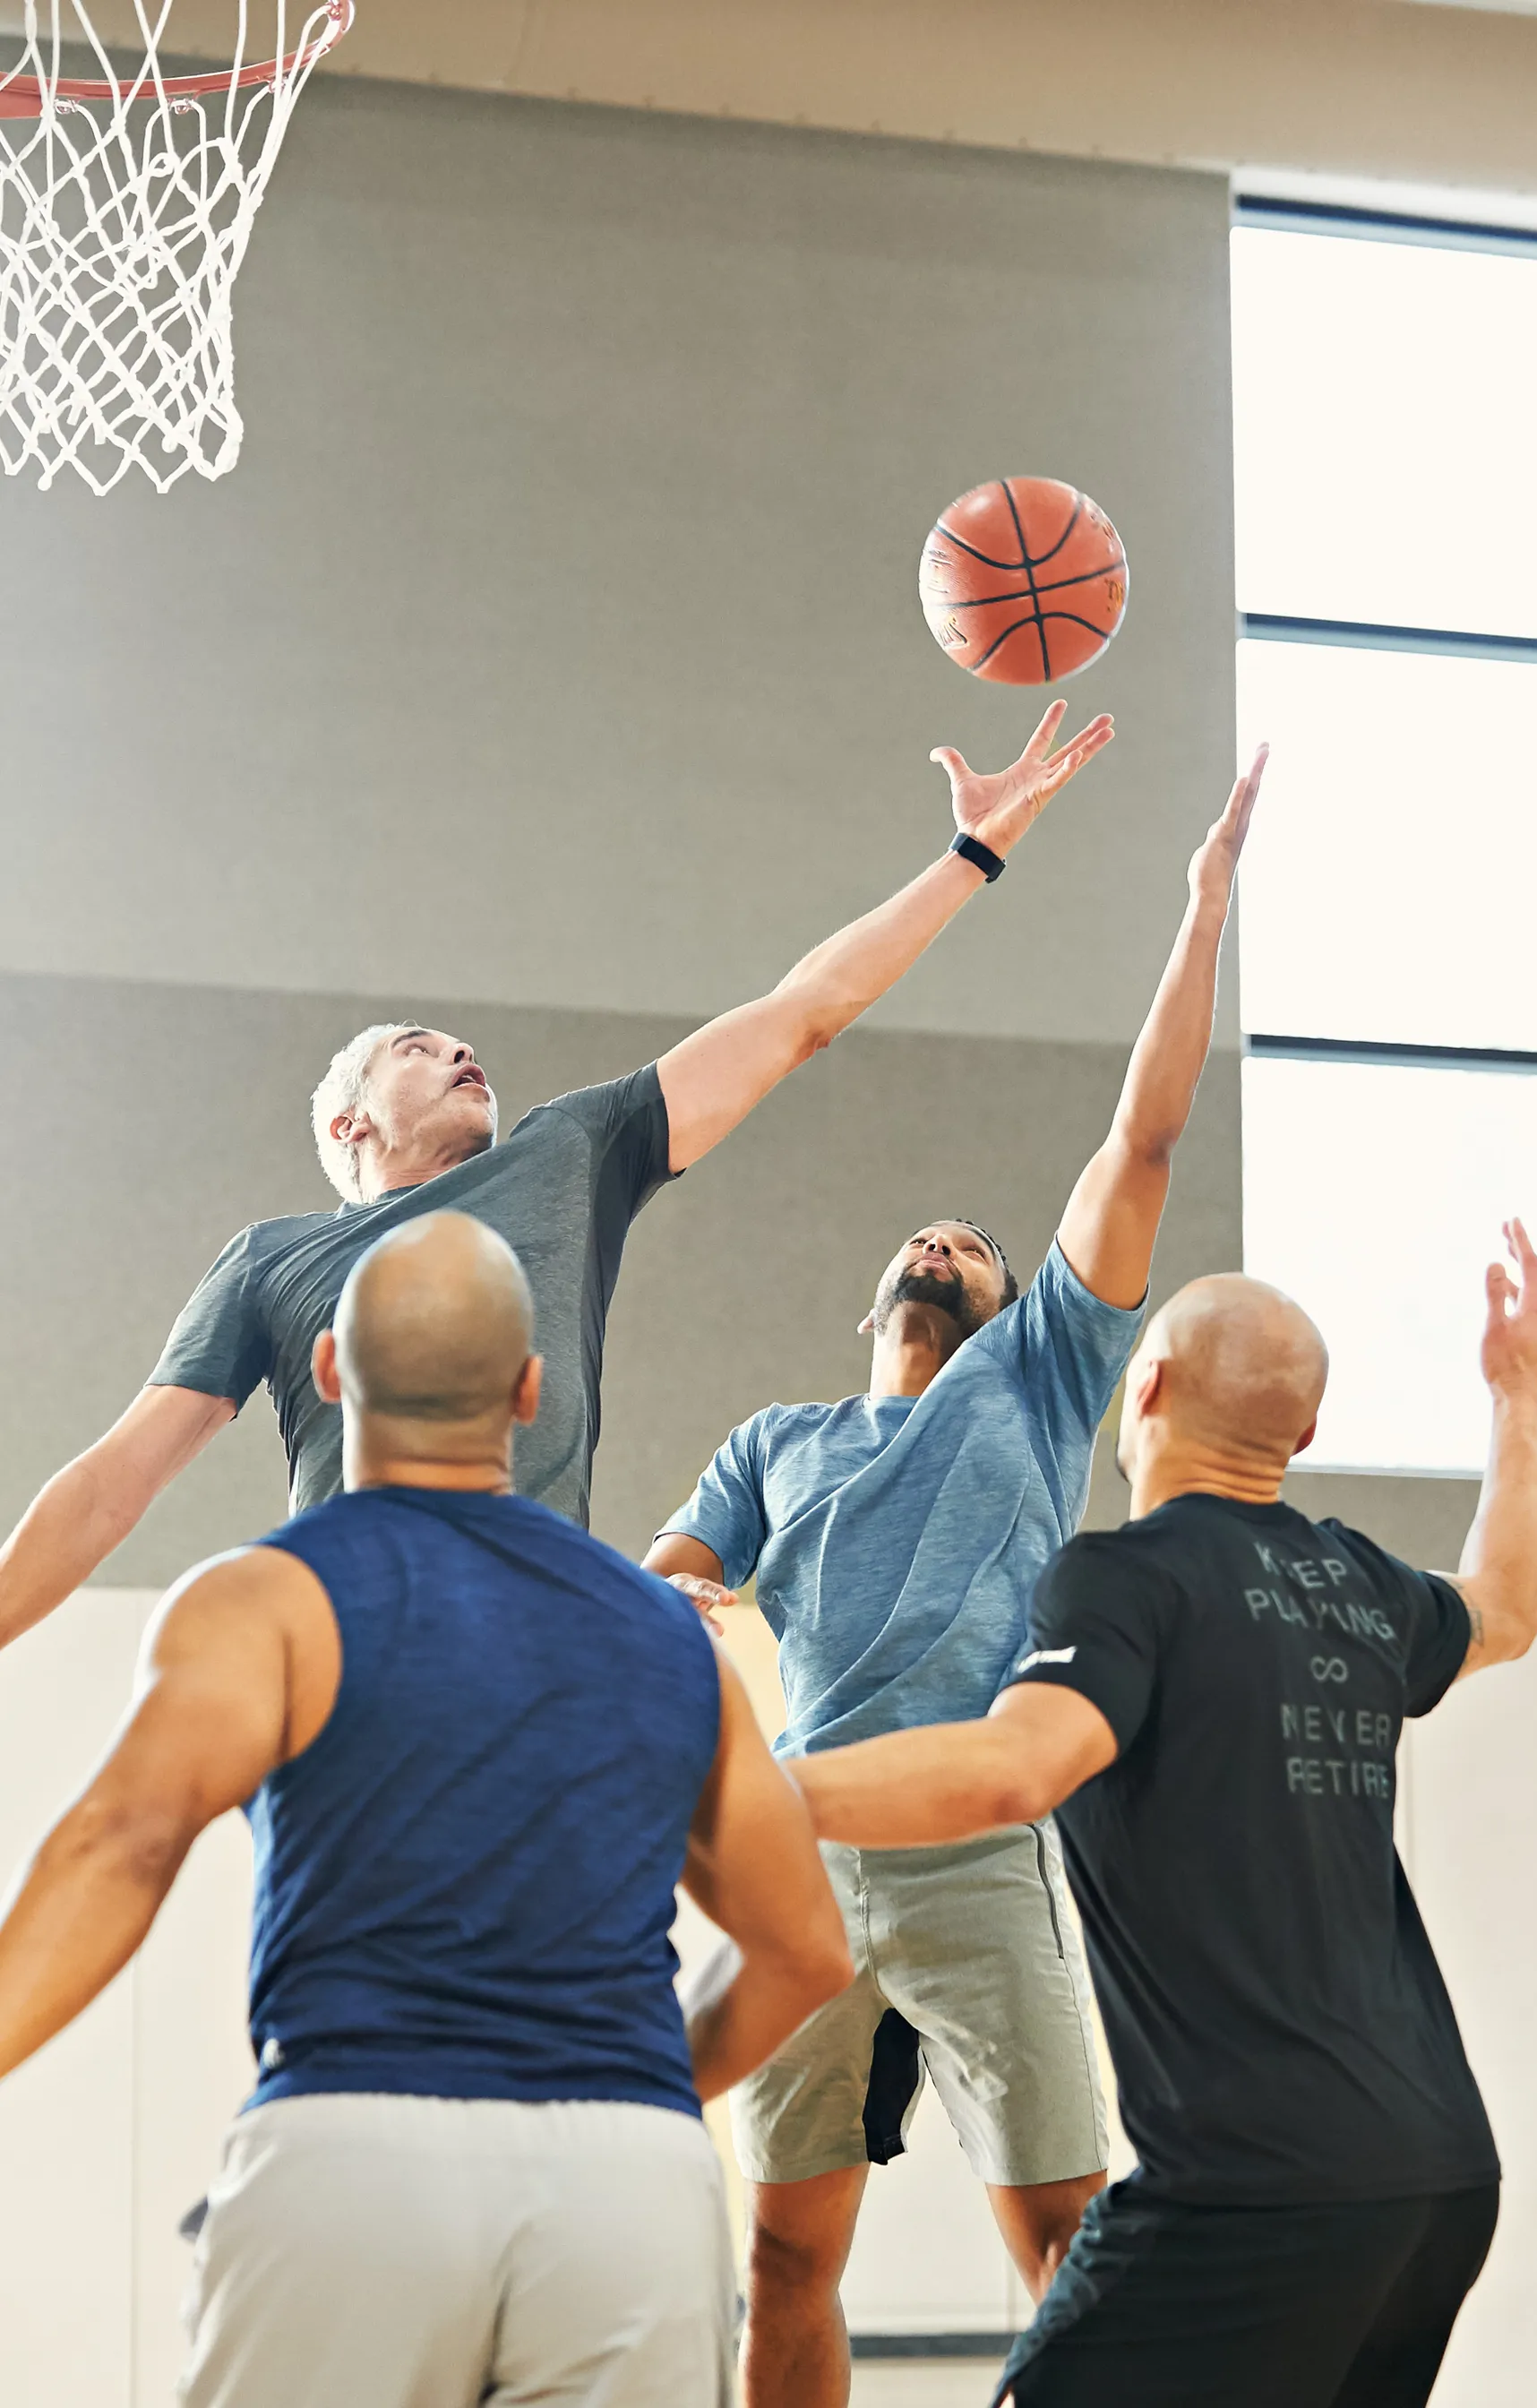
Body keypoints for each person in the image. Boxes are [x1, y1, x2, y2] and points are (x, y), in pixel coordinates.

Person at [0, 701, 1112, 1649]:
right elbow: (112, 1482)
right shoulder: (272, 1261)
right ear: (348, 1121)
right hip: (352, 1628)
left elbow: (801, 1013)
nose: (458, 1052)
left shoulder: (569, 1150)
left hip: (538, 1634)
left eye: (460, 1044)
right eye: (417, 1050)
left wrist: (971, 856)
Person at [646, 745, 1270, 2408]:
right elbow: (663, 1579)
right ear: (876, 1302)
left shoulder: (1046, 1374)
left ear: (1010, 1303)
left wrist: (1201, 910)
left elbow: (1140, 1142)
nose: (945, 1238)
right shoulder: (779, 1437)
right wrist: (674, 1604)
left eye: (977, 1241)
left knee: (1070, 2233)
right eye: (923, 1240)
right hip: (807, 1855)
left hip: (983, 1850)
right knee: (782, 2260)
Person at [0, 1212, 853, 2407]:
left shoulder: (264, 1602)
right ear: (528, 1390)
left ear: (331, 1370)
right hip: (631, 2184)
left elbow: (117, 1847)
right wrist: (629, 2080)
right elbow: (807, 1946)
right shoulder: (672, 1634)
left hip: (354, 2156)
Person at [790, 1225, 1537, 2408]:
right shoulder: (1358, 1585)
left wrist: (748, 1793)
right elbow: (1508, 1603)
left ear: (1138, 1388)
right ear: (1301, 1436)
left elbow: (1011, 1769)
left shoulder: (1121, 1579)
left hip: (1246, 2186)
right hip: (1438, 2181)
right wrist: (1516, 1391)